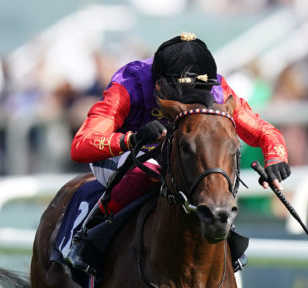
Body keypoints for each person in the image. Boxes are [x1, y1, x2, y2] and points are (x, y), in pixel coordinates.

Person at [64, 32, 291, 273]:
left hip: (172, 152)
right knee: (150, 171)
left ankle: (223, 228)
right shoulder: (128, 84)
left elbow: (263, 131)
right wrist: (132, 138)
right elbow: (82, 144)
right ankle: (89, 233)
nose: (192, 105)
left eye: (198, 95)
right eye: (183, 98)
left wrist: (276, 157)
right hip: (118, 152)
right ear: (159, 85)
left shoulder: (218, 89)